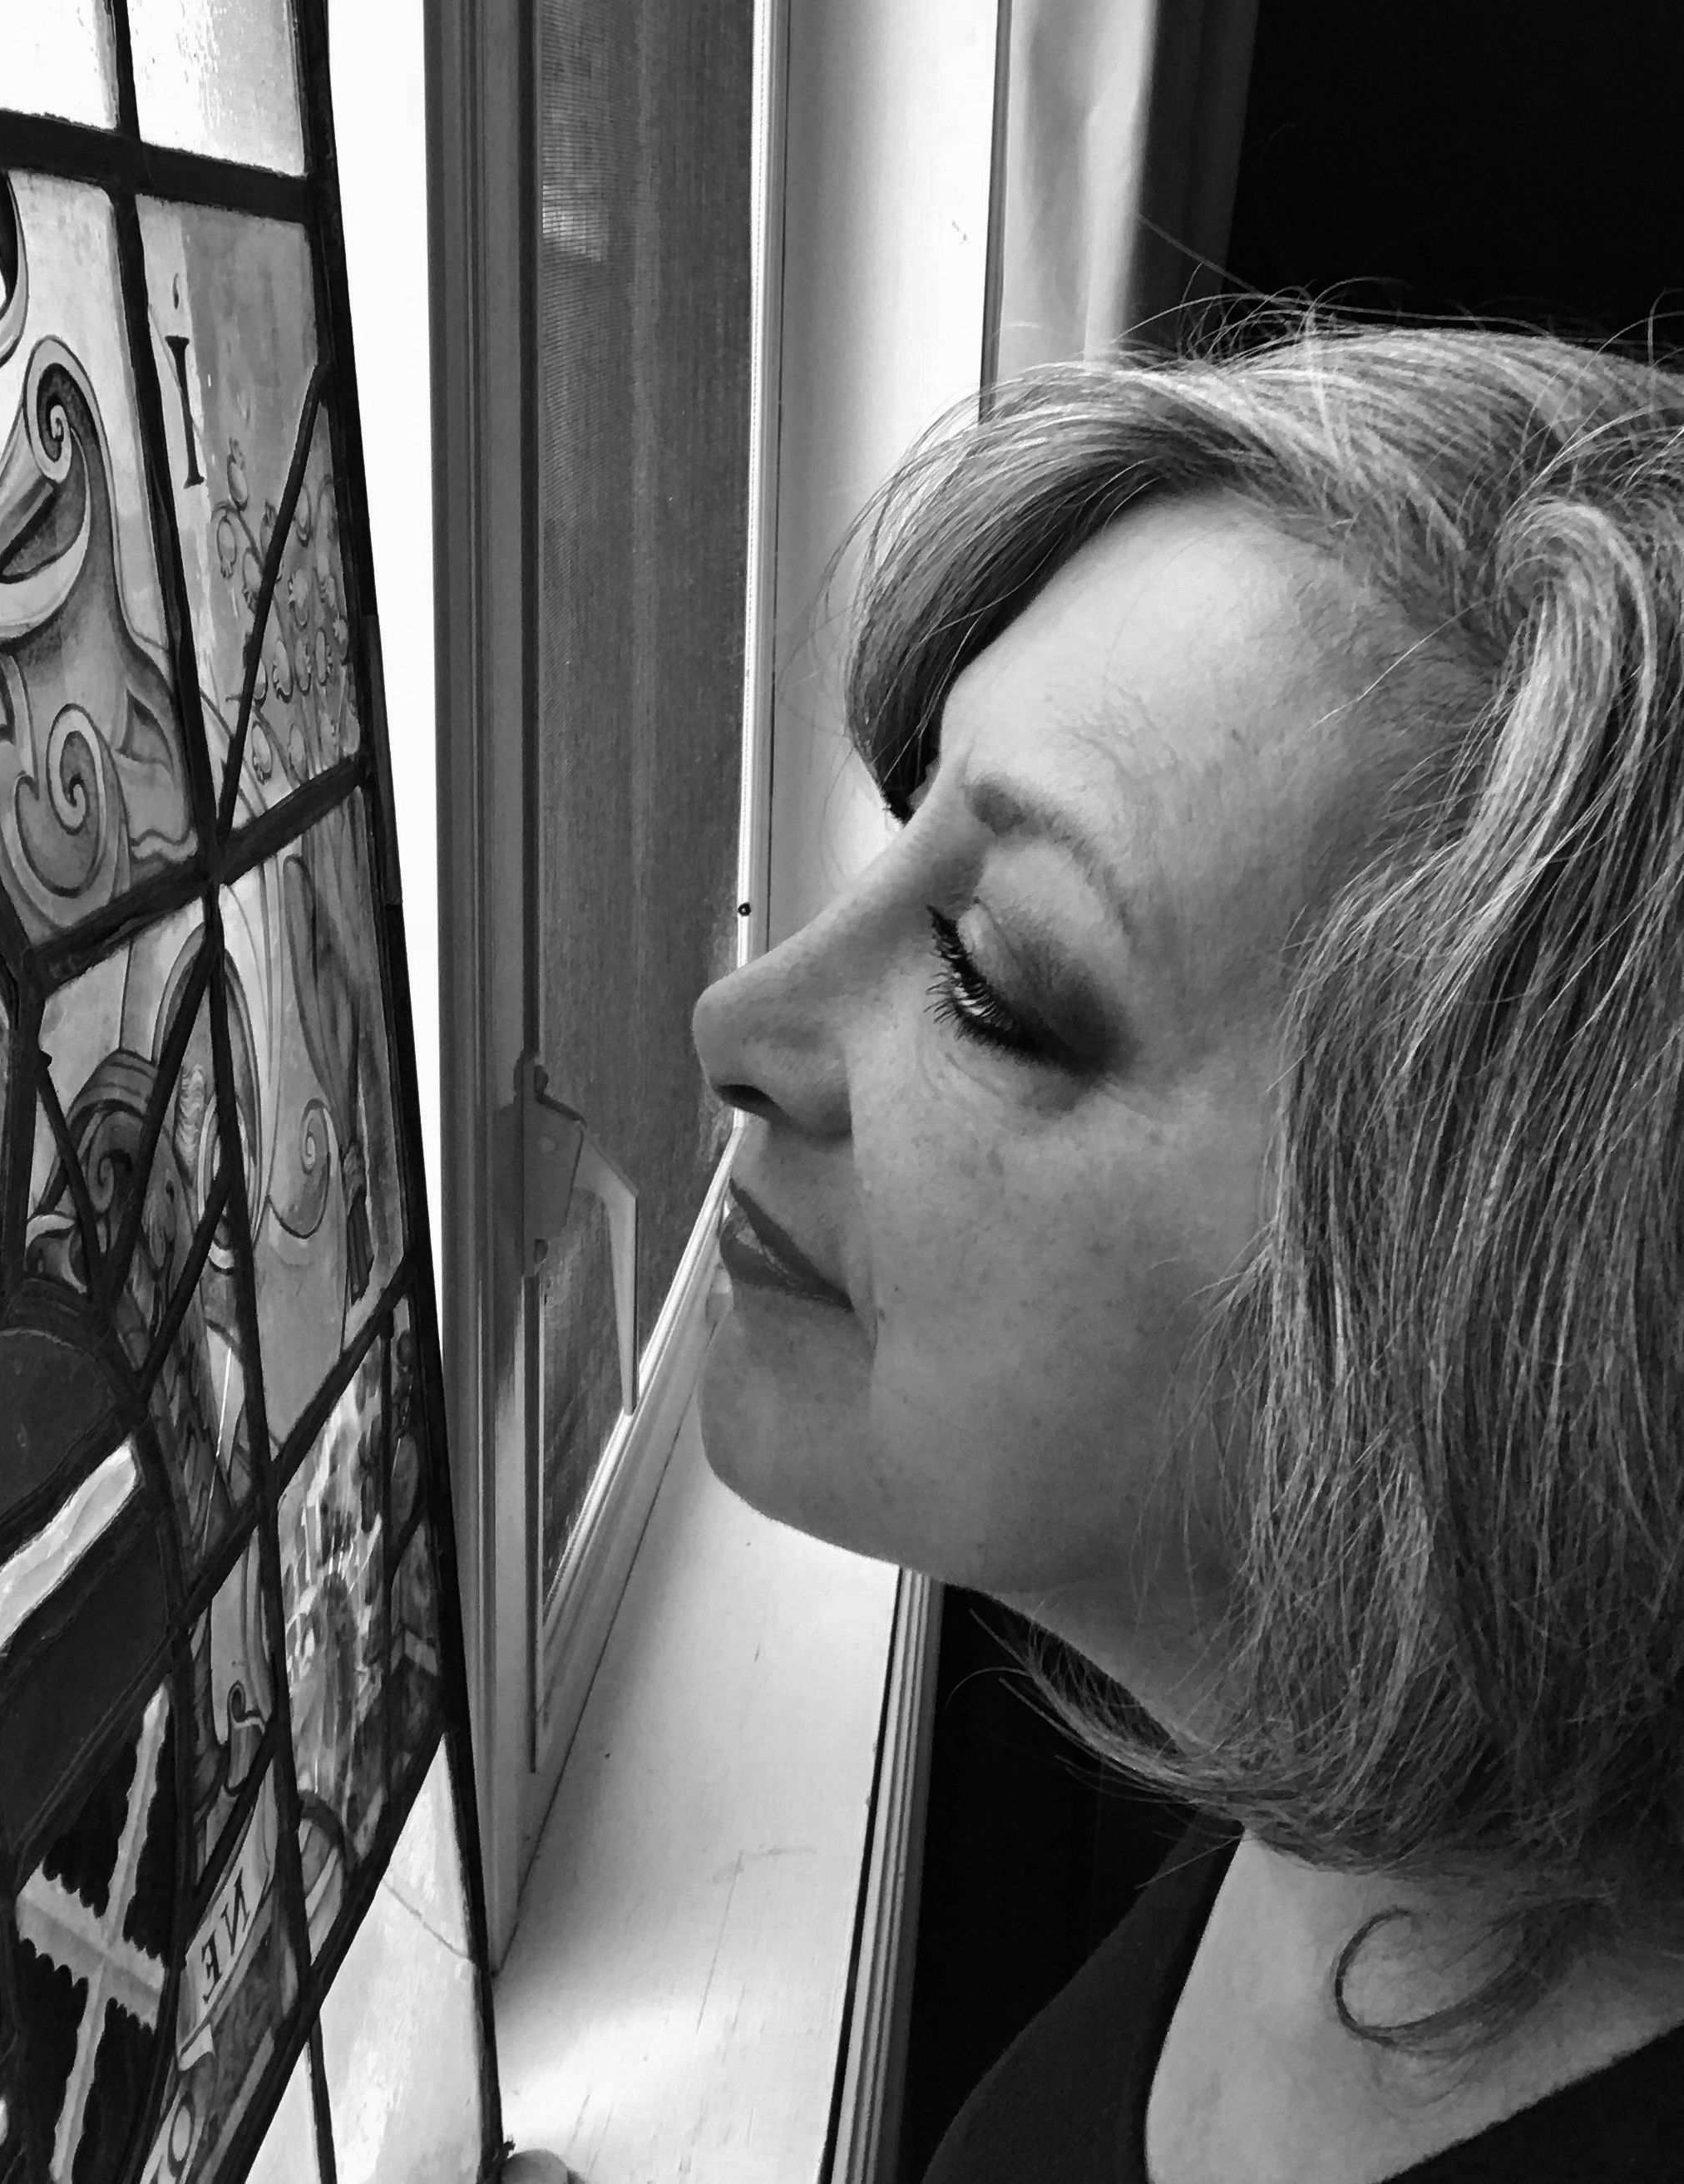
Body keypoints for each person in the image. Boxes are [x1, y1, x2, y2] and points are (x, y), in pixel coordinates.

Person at [689, 321, 1684, 2182]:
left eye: (990, 980)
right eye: (909, 823)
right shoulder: (1342, 1802)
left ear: (1465, 1319)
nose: (739, 1023)